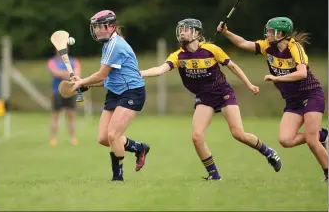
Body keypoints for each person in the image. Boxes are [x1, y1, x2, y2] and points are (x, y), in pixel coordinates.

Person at [140, 18, 282, 181]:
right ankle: (214, 175)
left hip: (223, 94)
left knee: (238, 134)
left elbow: (233, 67)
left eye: (186, 29)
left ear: (196, 33)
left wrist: (249, 84)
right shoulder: (178, 55)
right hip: (204, 98)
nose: (182, 32)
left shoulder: (211, 49)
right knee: (197, 137)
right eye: (180, 30)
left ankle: (269, 152)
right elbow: (160, 69)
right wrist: (141, 73)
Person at [217, 17, 328, 181]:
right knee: (285, 140)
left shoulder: (294, 47)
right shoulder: (267, 46)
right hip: (293, 101)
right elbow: (243, 44)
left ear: (281, 33)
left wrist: (277, 79)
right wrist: (226, 33)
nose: (267, 34)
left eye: (271, 31)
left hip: (311, 94)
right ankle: (323, 135)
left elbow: (302, 73)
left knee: (312, 141)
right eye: (268, 30)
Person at [70, 10, 150, 182]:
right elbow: (107, 78)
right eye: (95, 27)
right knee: (104, 138)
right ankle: (139, 148)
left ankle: (117, 177)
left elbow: (101, 75)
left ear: (112, 26)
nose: (97, 30)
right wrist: (84, 84)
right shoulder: (108, 44)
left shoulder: (116, 45)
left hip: (132, 92)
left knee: (113, 134)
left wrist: (82, 82)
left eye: (100, 26)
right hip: (115, 92)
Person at [47, 49, 81, 146]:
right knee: (55, 116)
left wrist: (63, 74)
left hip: (71, 92)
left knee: (71, 116)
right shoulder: (52, 61)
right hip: (57, 92)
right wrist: (69, 74)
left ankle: (72, 138)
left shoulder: (74, 61)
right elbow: (55, 73)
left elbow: (77, 74)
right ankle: (53, 138)